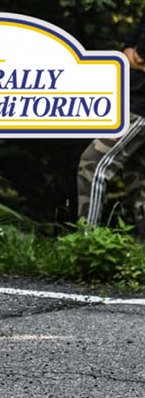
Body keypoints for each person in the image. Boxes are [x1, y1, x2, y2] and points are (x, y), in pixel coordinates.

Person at [76, 17, 145, 237]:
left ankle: (85, 242)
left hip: (139, 108)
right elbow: (128, 52)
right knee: (138, 180)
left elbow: (138, 56)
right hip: (130, 101)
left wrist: (137, 58)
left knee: (92, 164)